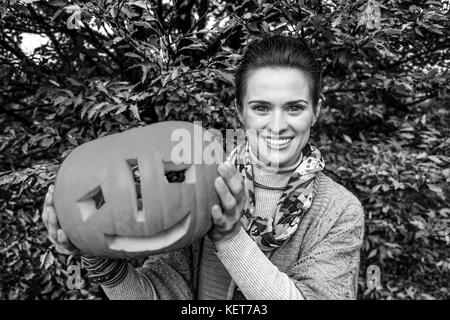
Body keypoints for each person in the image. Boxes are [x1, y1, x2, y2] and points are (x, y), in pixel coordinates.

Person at [41, 35, 364, 300]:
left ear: (316, 111)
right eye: (261, 107)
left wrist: (229, 237)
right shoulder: (198, 182)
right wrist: (96, 252)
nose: (277, 125)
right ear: (240, 111)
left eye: (294, 107)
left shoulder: (339, 211)